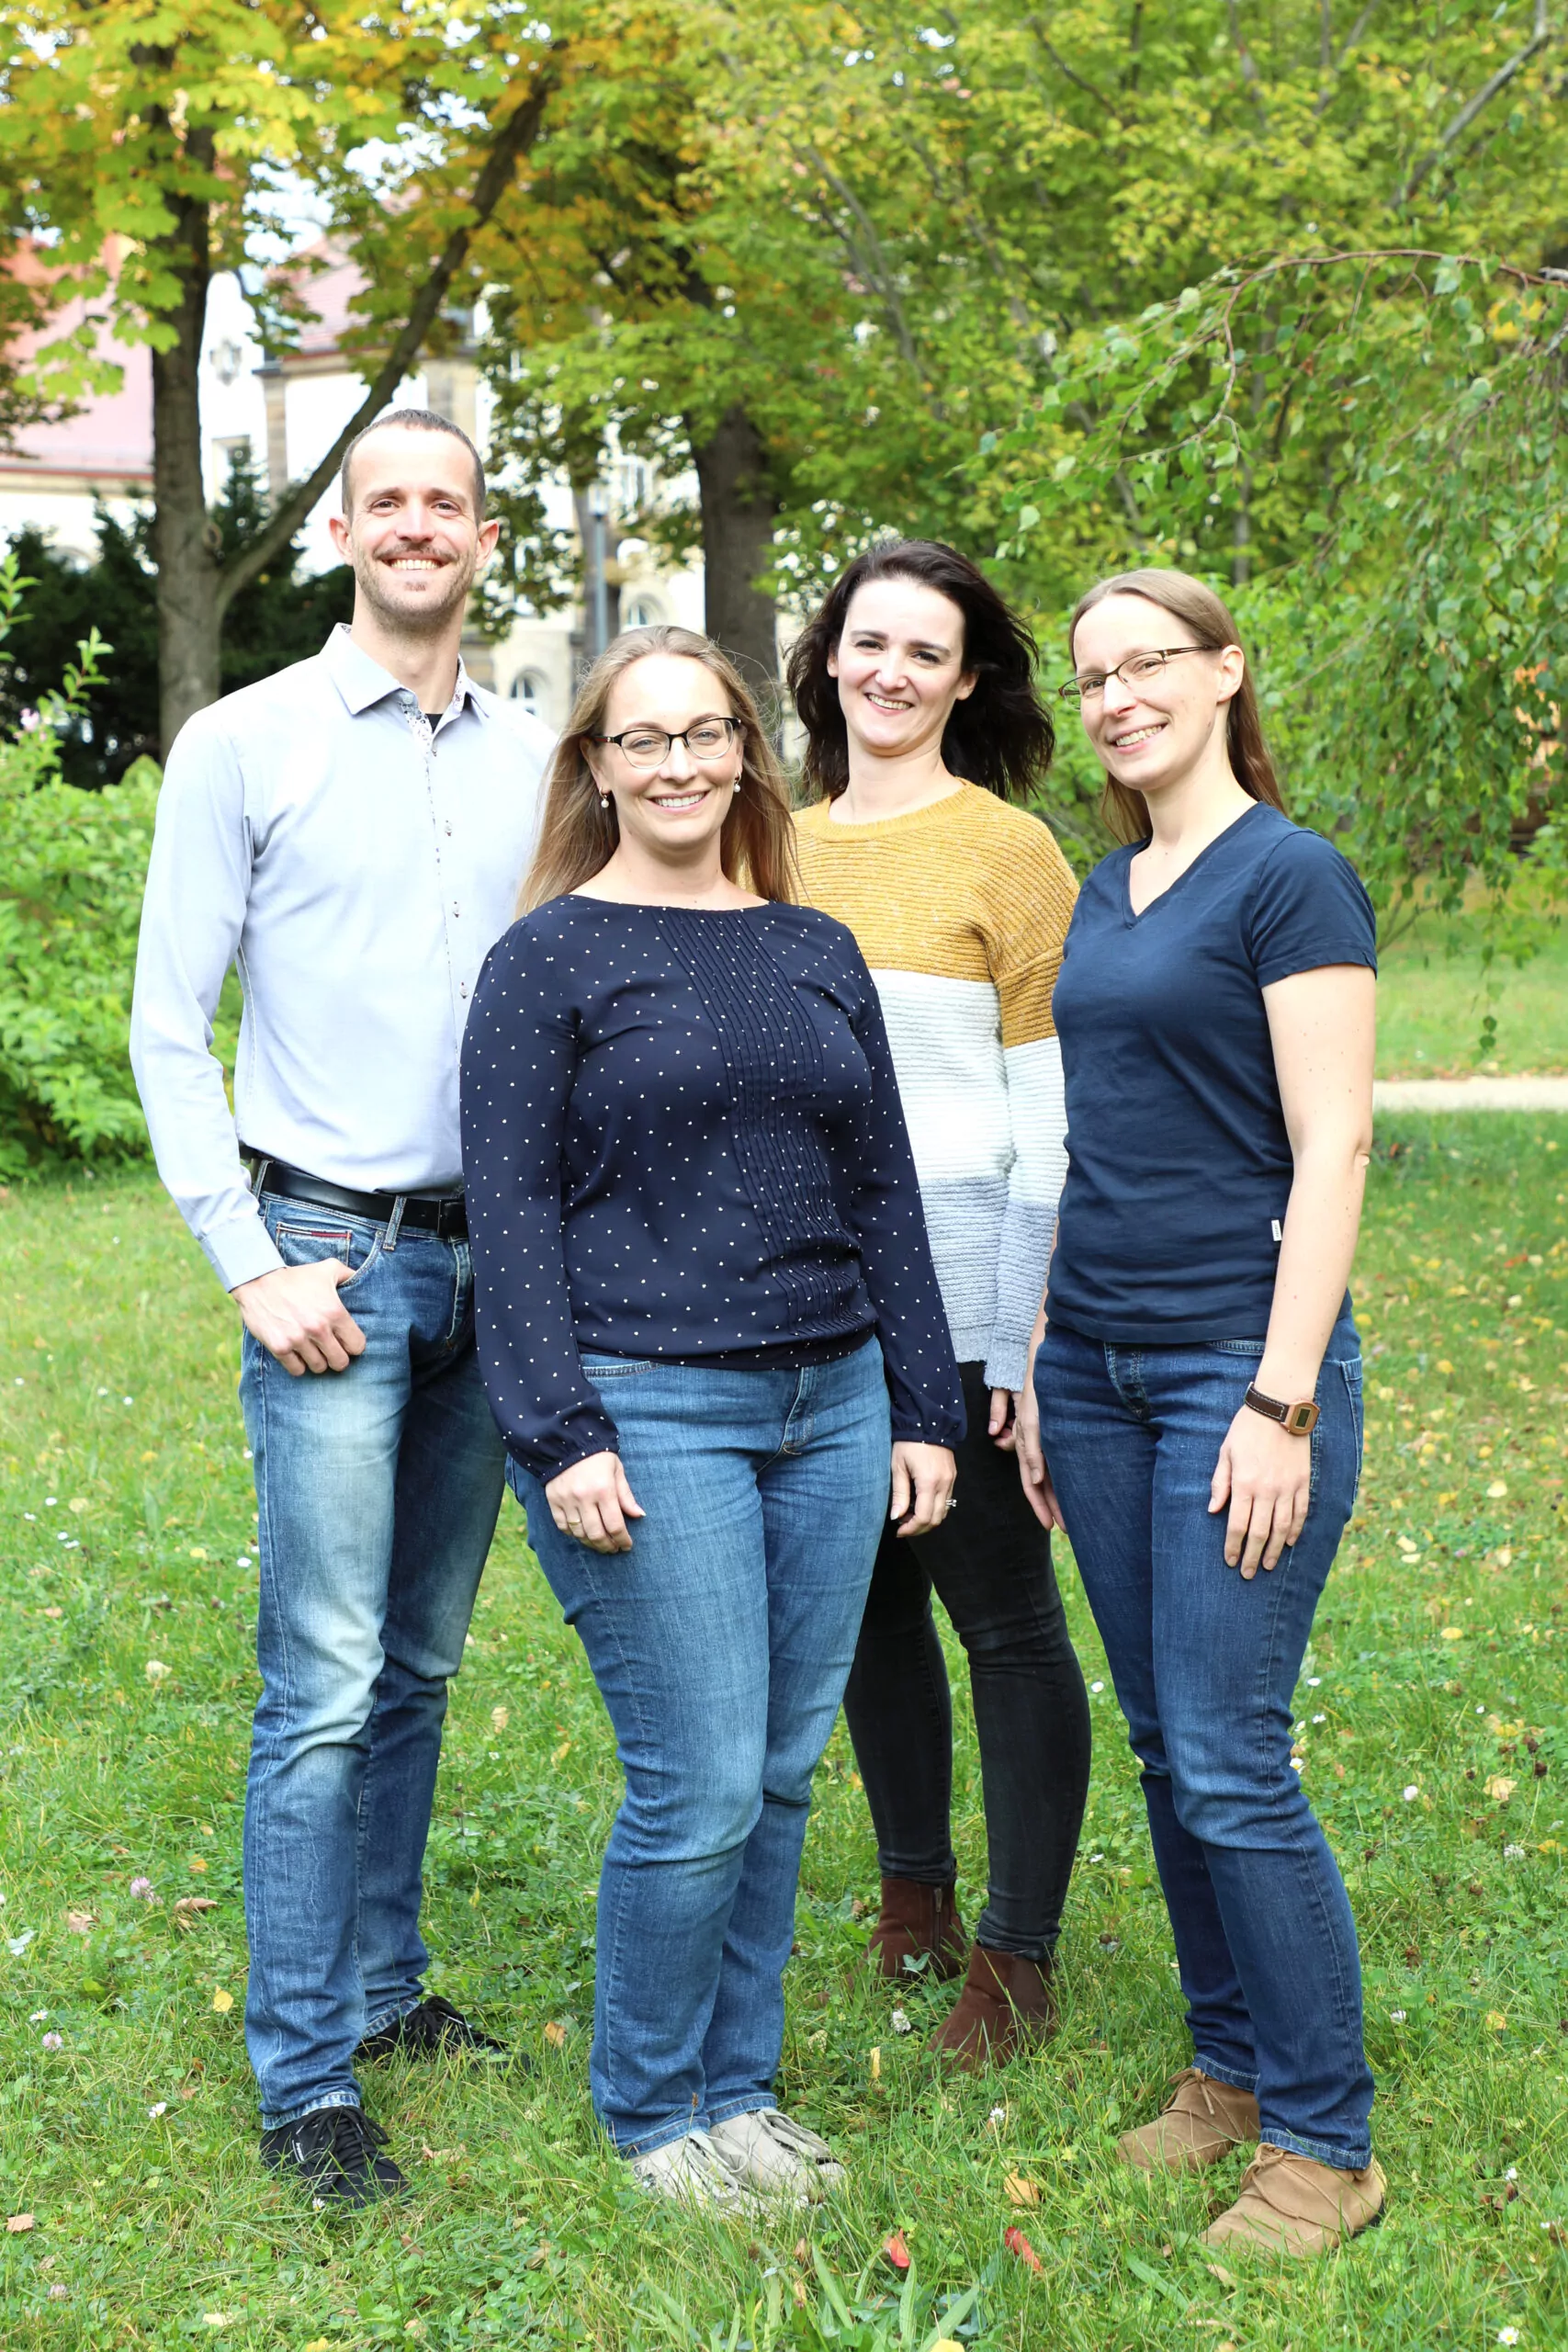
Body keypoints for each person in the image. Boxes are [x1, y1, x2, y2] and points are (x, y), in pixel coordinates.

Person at [460, 623, 963, 2212]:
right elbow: (511, 1210)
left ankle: (736, 2092)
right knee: (695, 1778)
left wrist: (925, 1405)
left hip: (832, 1401)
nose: (675, 764)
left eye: (703, 735)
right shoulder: (545, 958)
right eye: (640, 740)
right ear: (595, 770)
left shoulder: (809, 944)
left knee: (784, 1768)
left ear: (746, 749)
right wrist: (561, 1430)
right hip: (648, 1405)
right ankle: (652, 2114)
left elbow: (882, 1183)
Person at [129, 409, 553, 2208]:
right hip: (329, 1259)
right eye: (386, 501)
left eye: (444, 503)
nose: (415, 528)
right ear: (345, 531)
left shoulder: (541, 755)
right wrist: (250, 1257)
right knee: (320, 1677)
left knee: (426, 1660)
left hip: (501, 1261)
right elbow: (167, 1023)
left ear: (479, 535)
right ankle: (306, 2078)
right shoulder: (249, 741)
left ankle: (384, 1986)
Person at [1018, 567, 1384, 2256]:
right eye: (1090, 677)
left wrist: (1280, 1401)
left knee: (1232, 1754)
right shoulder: (1106, 885)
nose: (1113, 698)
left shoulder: (1287, 877)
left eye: (1145, 663)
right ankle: (1225, 2070)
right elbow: (1098, 1145)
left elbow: (1332, 1151)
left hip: (1231, 1375)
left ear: (1226, 671)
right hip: (1089, 1373)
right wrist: (1033, 1357)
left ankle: (1324, 2140)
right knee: (1170, 1745)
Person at [787, 540, 1091, 2066]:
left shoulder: (1009, 853)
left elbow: (1050, 1108)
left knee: (1004, 1620)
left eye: (926, 651)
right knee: (862, 1610)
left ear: (966, 679)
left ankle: (1019, 1954)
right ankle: (913, 1889)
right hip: (813, 1314)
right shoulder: (769, 845)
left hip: (971, 1302)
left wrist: (1029, 1326)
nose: (891, 672)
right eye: (868, 642)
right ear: (827, 657)